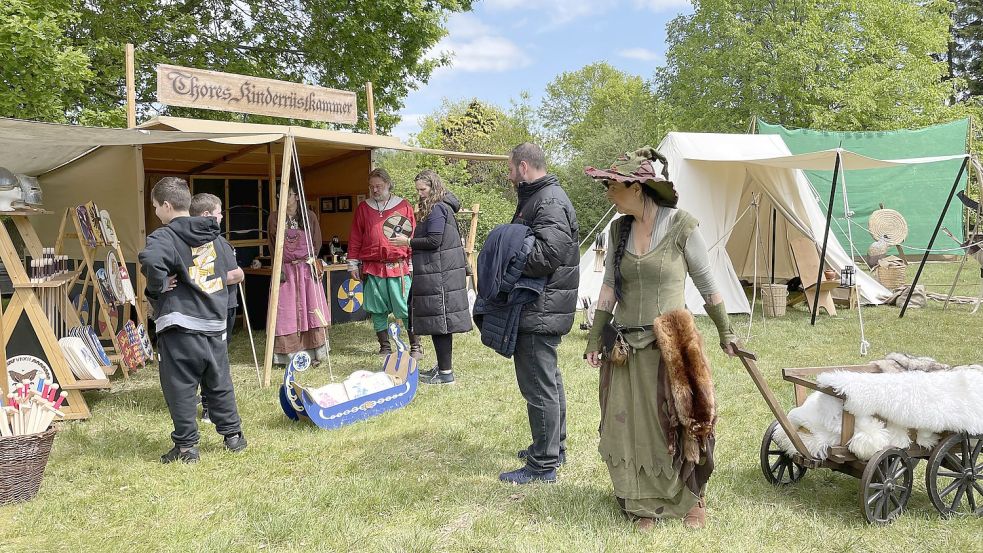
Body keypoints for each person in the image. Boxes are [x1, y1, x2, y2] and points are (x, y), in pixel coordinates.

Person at [582, 147, 738, 530]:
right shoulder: (618, 230)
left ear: (637, 187)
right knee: (630, 424)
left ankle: (692, 498)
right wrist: (593, 339)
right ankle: (640, 502)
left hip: (671, 346)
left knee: (686, 422)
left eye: (611, 185)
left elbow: (707, 285)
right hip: (625, 348)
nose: (607, 193)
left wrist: (725, 332)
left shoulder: (683, 226)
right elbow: (607, 290)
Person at [139, 177, 246, 463]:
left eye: (155, 207)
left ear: (166, 205)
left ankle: (187, 448)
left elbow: (150, 261)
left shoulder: (164, 236)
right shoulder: (217, 237)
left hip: (180, 325)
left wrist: (157, 288)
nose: (155, 212)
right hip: (214, 322)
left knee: (180, 387)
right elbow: (230, 271)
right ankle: (233, 437)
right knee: (219, 381)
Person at [497, 143, 579, 485]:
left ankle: (543, 465)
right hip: (542, 303)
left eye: (512, 168)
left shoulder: (549, 200)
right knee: (547, 379)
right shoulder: (540, 197)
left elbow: (547, 255)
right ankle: (552, 447)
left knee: (538, 384)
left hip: (541, 305)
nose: (510, 174)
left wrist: (506, 262)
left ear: (525, 167)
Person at [389, 170, 472, 384]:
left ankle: (446, 374)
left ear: (433, 187)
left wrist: (406, 242)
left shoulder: (437, 209)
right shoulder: (441, 207)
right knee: (439, 323)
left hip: (440, 274)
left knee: (440, 323)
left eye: (423, 189)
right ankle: (443, 368)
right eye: (418, 190)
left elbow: (434, 241)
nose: (420, 194)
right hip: (440, 271)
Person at [348, 168, 421, 358]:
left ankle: (416, 346)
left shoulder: (403, 206)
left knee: (404, 306)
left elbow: (411, 235)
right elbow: (356, 237)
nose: (375, 190)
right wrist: (353, 264)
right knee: (377, 308)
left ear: (388, 184)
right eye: (372, 187)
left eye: (379, 186)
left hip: (398, 265)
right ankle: (385, 347)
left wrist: (413, 262)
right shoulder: (364, 208)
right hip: (373, 266)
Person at [190, 193, 239, 424]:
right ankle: (210, 406)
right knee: (215, 361)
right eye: (219, 213)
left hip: (202, 306)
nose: (221, 217)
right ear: (207, 215)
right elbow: (232, 274)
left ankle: (205, 400)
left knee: (205, 358)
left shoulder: (182, 239)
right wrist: (238, 274)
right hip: (221, 305)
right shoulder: (215, 241)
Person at [268, 185, 330, 366]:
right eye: (281, 195)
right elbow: (272, 244)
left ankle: (314, 352)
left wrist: (306, 260)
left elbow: (317, 243)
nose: (285, 198)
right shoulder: (274, 218)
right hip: (285, 271)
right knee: (285, 311)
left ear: (296, 196)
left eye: (289, 194)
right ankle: (288, 355)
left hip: (305, 270)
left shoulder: (308, 216)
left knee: (311, 308)